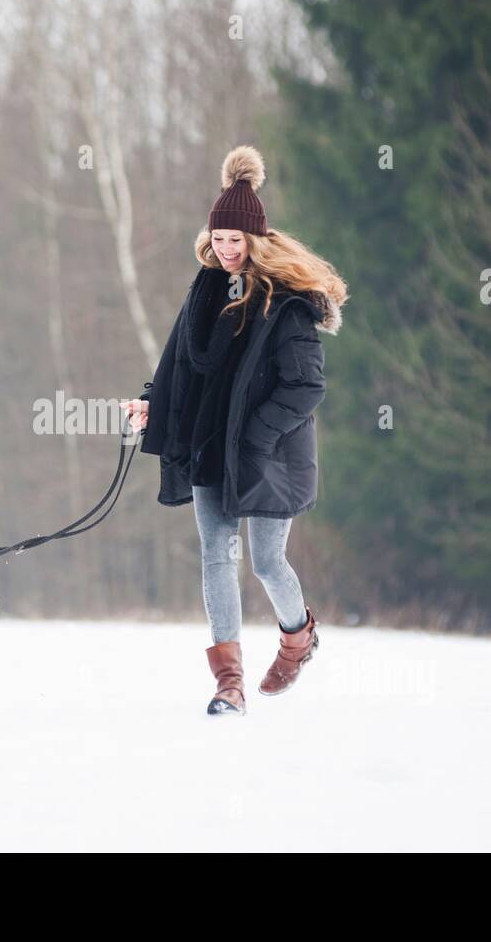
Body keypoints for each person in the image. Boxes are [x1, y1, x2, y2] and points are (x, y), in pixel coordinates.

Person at [118, 145, 347, 716]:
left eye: (235, 241)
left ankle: (298, 637)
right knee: (217, 555)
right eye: (218, 239)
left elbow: (305, 388)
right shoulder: (204, 290)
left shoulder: (288, 306)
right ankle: (229, 684)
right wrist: (154, 404)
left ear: (256, 242)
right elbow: (181, 364)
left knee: (268, 562)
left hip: (268, 452)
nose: (225, 250)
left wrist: (256, 436)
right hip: (208, 445)